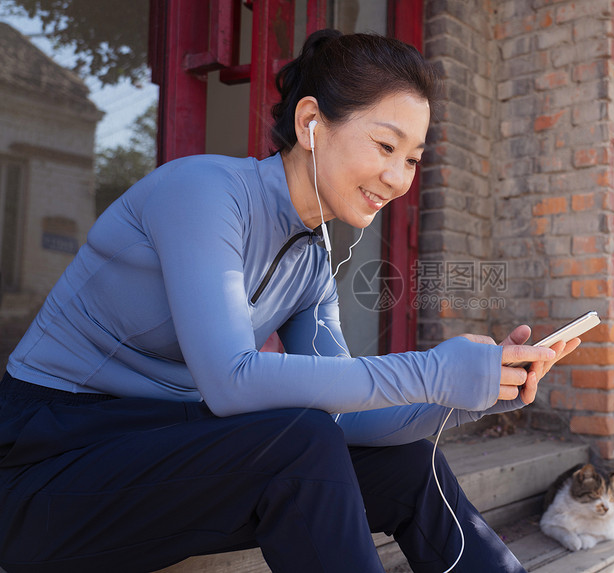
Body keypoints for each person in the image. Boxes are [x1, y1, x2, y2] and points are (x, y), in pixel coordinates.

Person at [0, 30, 580, 573]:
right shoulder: (203, 193)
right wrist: (430, 369)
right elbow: (232, 381)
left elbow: (354, 416)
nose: (400, 178)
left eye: (412, 159)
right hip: (42, 464)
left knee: (405, 463)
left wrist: (476, 392)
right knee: (300, 439)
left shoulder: (312, 261)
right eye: (385, 145)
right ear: (311, 122)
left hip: (153, 456)